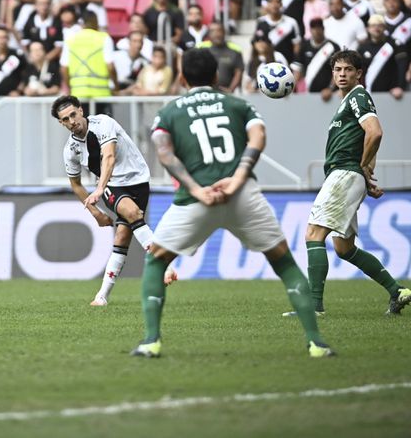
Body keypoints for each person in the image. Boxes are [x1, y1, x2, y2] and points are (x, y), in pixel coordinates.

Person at [131, 47, 334, 359]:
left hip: (196, 200)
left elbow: (164, 152)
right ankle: (316, 343)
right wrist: (238, 179)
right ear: (216, 76)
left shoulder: (169, 111)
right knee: (285, 264)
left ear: (183, 78)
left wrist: (198, 190)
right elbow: (259, 137)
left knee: (157, 261)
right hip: (243, 195)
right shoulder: (239, 104)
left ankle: (150, 341)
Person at [297, 49, 411, 319]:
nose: (341, 74)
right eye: (337, 70)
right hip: (350, 176)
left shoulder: (358, 96)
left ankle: (314, 308)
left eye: (348, 69)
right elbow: (366, 138)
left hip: (344, 174)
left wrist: (361, 167)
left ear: (358, 73)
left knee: (314, 234)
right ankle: (397, 291)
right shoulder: (347, 101)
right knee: (344, 247)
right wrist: (366, 173)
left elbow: (375, 132)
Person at [52, 94, 154, 306]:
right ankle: (163, 263)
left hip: (138, 178)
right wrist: (96, 212)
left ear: (81, 110)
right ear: (61, 123)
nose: (72, 122)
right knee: (133, 213)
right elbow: (76, 185)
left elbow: (109, 156)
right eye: (65, 119)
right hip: (111, 185)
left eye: (73, 115)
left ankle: (102, 295)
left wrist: (98, 190)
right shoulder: (70, 150)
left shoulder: (103, 123)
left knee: (123, 236)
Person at [60, 11, 118, 101]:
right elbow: (110, 67)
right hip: (101, 94)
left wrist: (69, 88)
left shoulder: (70, 39)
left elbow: (64, 68)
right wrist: (116, 86)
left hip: (78, 94)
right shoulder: (104, 38)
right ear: (96, 22)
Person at [358, 15, 404, 99]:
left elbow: (401, 67)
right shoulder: (362, 48)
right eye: (373, 25)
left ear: (385, 28)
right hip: (369, 93)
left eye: (380, 25)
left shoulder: (393, 44)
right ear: (368, 28)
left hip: (391, 94)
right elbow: (359, 72)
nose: (376, 28)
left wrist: (399, 86)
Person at [297, 18, 340, 98]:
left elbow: (338, 71)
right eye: (314, 28)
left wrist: (330, 89)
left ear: (323, 29)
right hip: (308, 93)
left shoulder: (334, 47)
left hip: (328, 95)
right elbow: (298, 69)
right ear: (310, 30)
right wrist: (293, 88)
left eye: (319, 28)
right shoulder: (304, 46)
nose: (316, 31)